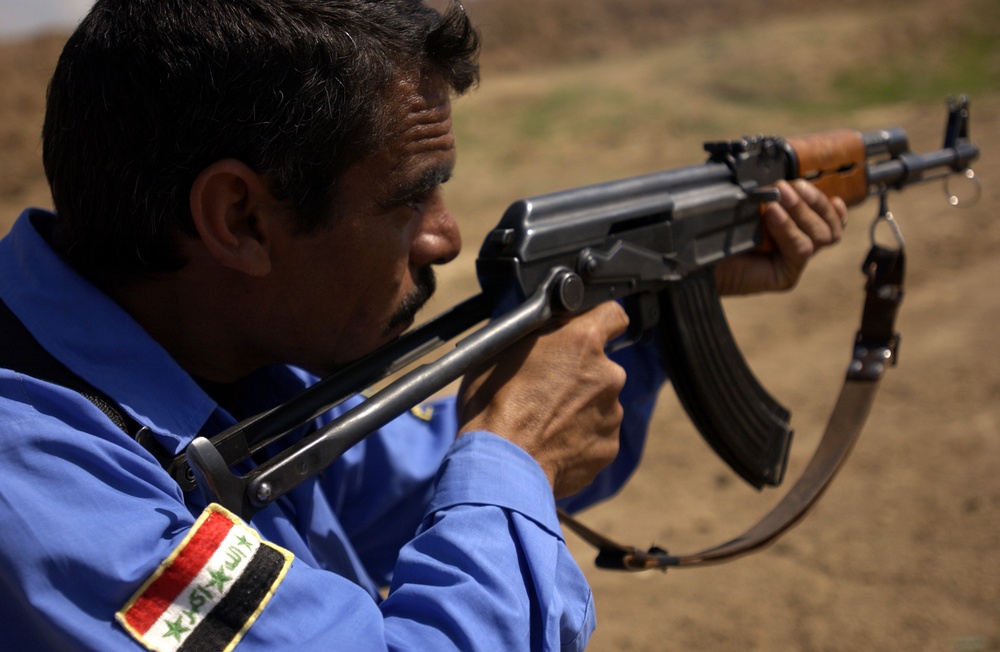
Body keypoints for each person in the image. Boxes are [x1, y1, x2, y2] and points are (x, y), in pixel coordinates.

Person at [0, 0, 847, 650]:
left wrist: (659, 298)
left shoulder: (218, 350)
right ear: (241, 220)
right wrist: (516, 459)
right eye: (410, 197)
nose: (445, 235)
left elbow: (404, 487)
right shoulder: (51, 501)